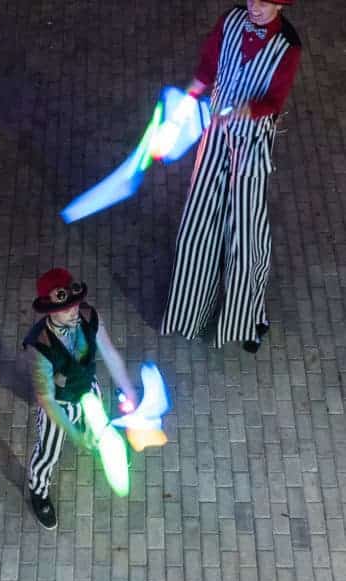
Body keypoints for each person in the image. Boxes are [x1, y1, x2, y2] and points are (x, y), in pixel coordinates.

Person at [160, 0, 301, 352]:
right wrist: (186, 102)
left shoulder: (288, 46)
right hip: (216, 135)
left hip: (250, 142)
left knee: (245, 231)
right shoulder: (231, 19)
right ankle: (191, 311)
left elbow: (273, 102)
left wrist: (240, 110)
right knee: (198, 223)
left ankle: (250, 316)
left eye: (264, 2)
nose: (253, 6)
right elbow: (208, 67)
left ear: (280, 6)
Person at [23, 268, 137, 529]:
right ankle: (37, 489)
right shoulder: (40, 345)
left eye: (74, 304)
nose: (73, 311)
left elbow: (109, 353)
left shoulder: (89, 316)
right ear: (49, 309)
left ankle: (106, 449)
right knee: (48, 454)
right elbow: (47, 400)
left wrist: (128, 388)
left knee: (101, 428)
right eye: (65, 308)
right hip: (59, 404)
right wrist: (75, 435)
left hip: (88, 391)